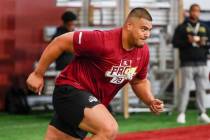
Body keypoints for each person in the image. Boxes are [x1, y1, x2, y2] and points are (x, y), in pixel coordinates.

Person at [27, 7, 164, 140]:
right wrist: (38, 74)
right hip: (71, 90)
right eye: (143, 29)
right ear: (129, 26)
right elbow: (60, 42)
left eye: (149, 30)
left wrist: (150, 100)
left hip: (88, 103)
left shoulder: (143, 52)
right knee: (108, 129)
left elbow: (139, 81)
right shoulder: (103, 40)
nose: (147, 34)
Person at [172, 4, 210, 124]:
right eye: (194, 11)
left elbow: (208, 43)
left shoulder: (204, 26)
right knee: (185, 89)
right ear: (190, 12)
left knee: (201, 89)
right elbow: (175, 43)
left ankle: (202, 113)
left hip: (202, 62)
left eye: (198, 11)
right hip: (187, 63)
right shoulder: (182, 27)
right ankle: (182, 113)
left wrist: (204, 43)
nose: (196, 13)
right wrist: (187, 41)